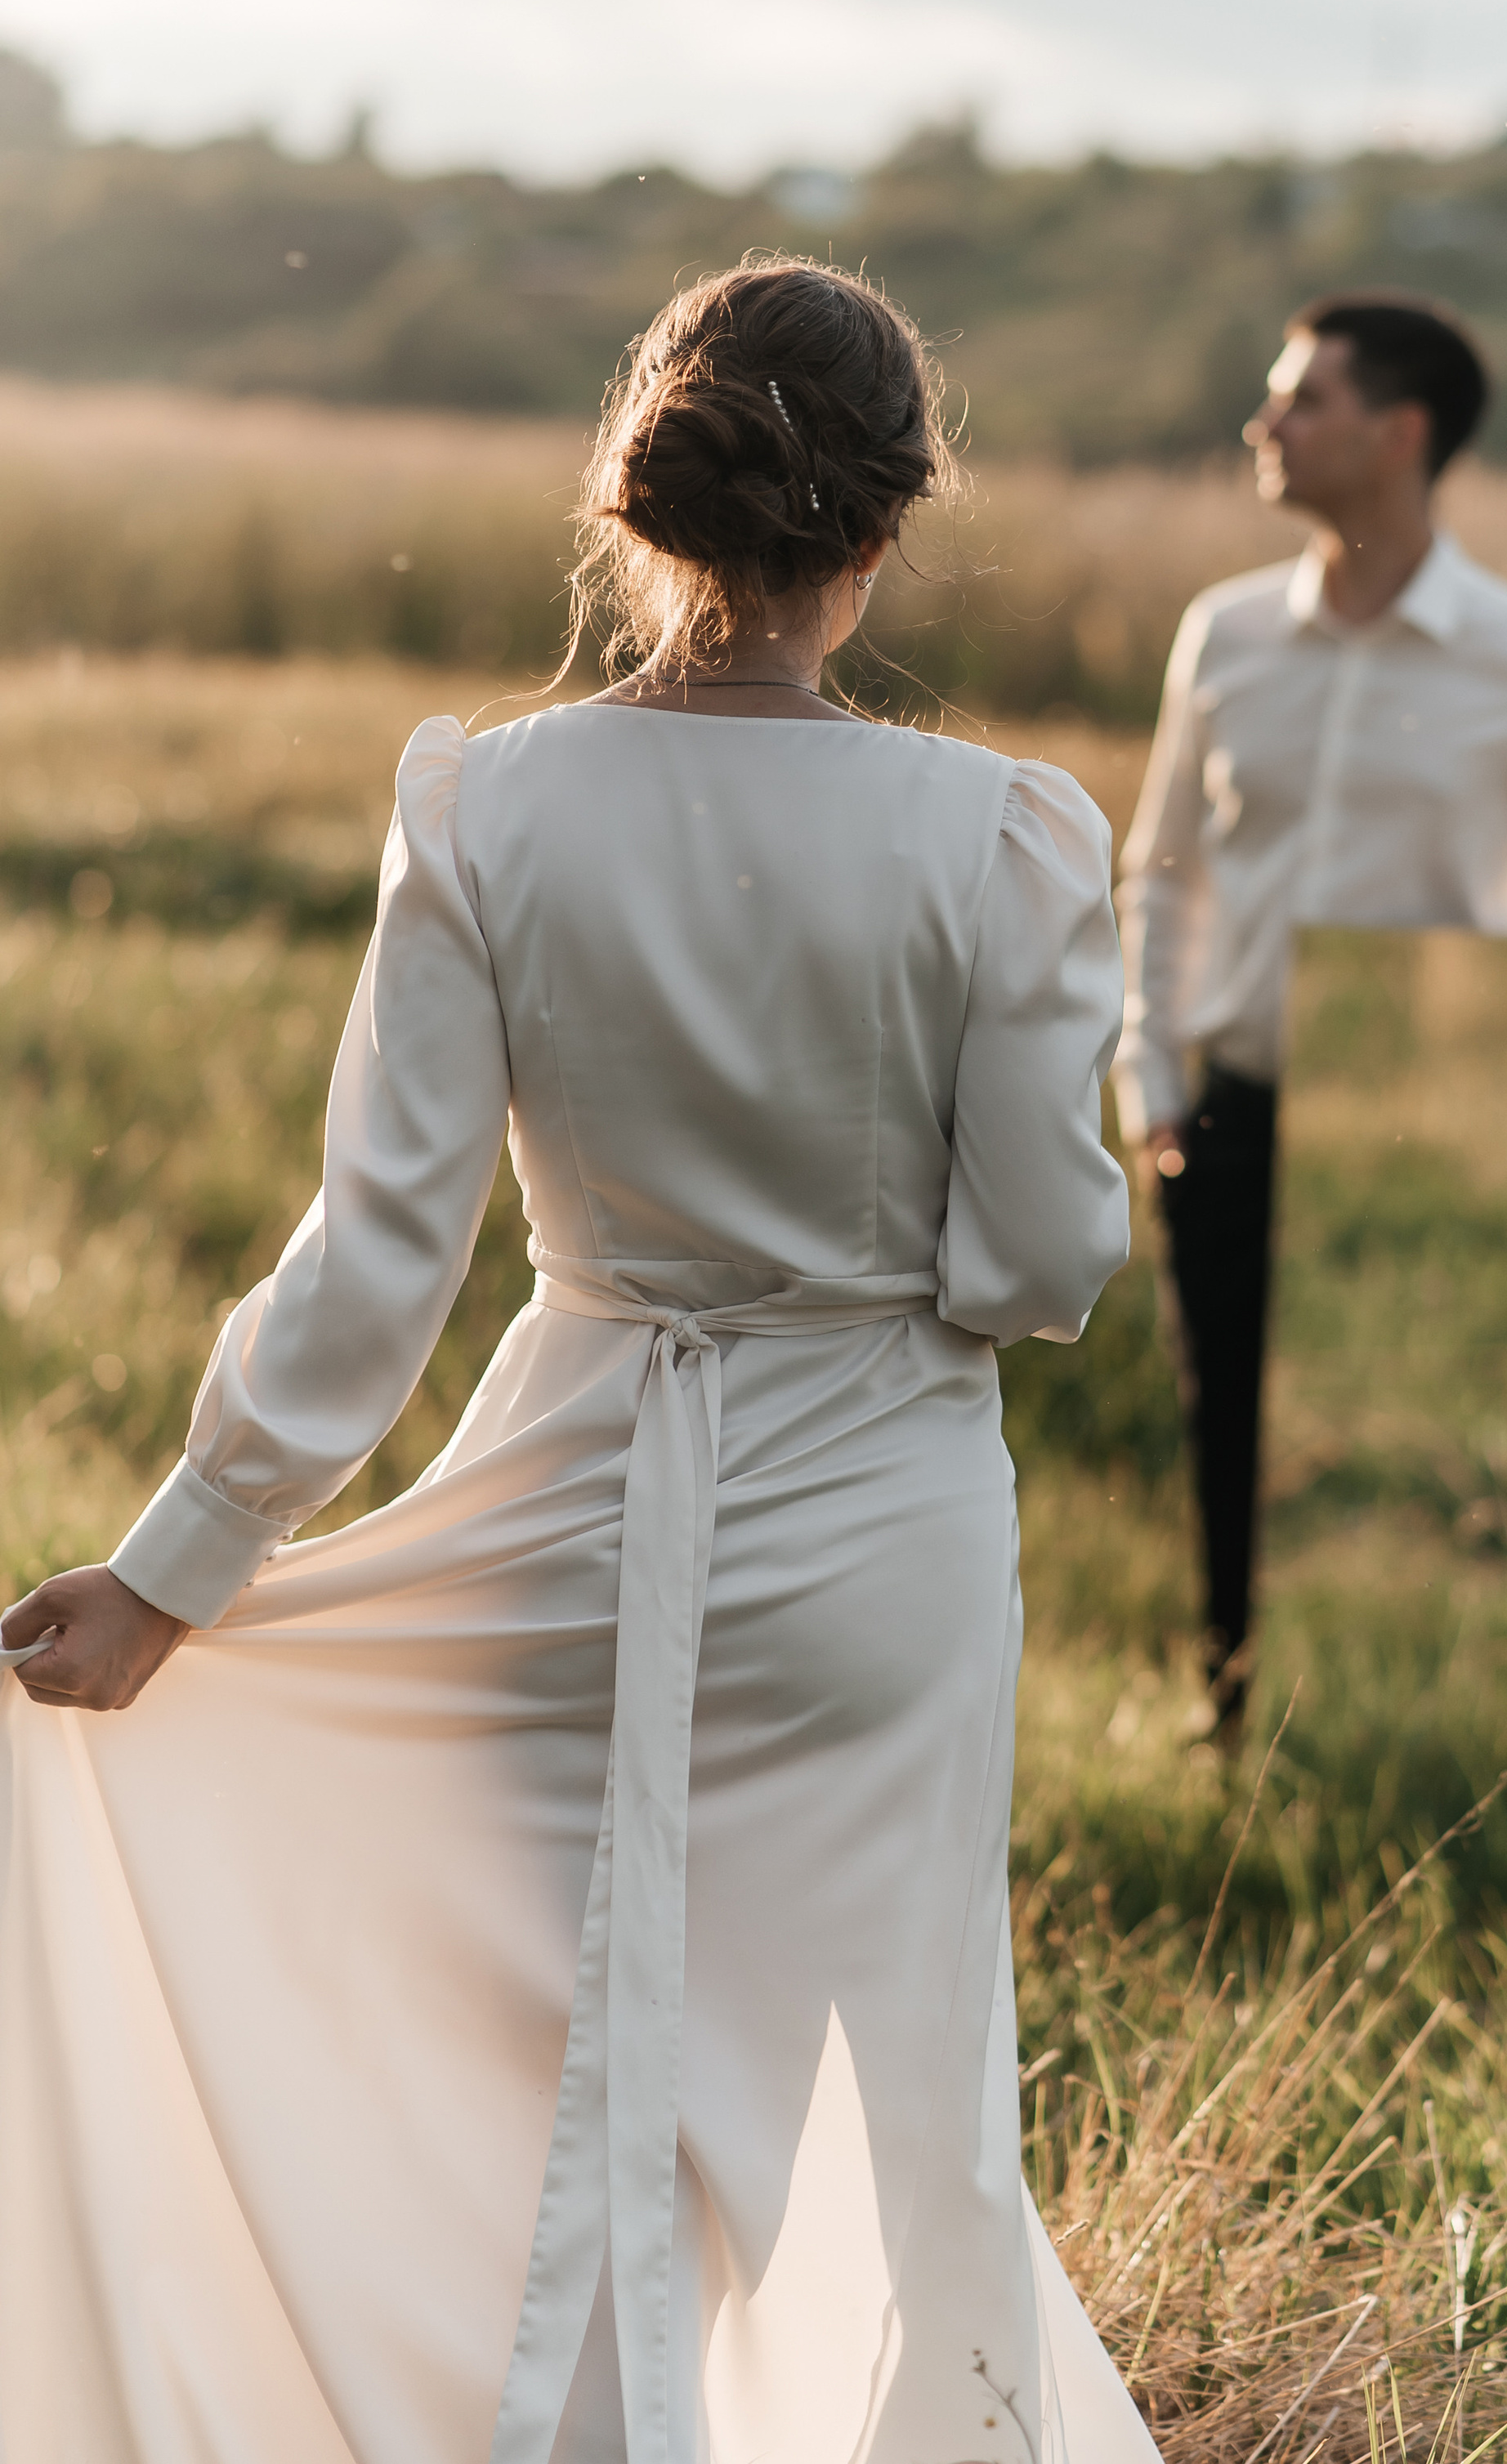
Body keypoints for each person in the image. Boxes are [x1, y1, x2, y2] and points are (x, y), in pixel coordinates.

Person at [0, 257, 1161, 2464]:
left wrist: (178, 1565)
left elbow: (379, 1255)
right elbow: (1037, 1263)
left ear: (636, 506)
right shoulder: (1000, 836)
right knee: (902, 2092)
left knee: (556, 2084)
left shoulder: (488, 807)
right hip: (877, 1539)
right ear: (887, 530)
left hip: (566, 1493)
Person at [1115, 291, 1507, 1740]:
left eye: (1301, 399)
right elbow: (1160, 873)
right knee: (1226, 1426)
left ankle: (1431, 1741)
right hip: (1231, 1109)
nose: (1266, 424)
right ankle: (1238, 1732)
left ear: (1401, 431)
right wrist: (1150, 1077)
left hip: (1432, 1134)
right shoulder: (1221, 635)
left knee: (1437, 1458)